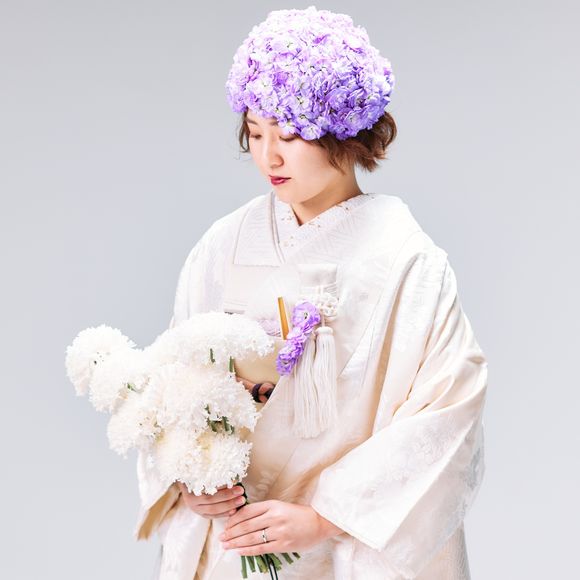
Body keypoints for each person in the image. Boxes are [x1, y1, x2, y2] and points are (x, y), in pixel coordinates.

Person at [134, 6, 488, 579]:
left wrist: (325, 516)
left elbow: (448, 408)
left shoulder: (407, 259)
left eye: (291, 134)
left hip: (340, 548)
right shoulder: (226, 243)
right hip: (234, 538)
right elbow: (172, 379)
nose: (268, 156)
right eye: (255, 133)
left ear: (345, 131)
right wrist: (190, 475)